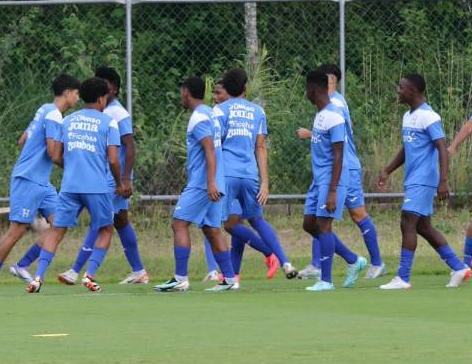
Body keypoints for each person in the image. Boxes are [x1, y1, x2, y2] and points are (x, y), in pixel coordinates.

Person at [25, 77, 127, 293]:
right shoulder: (109, 122)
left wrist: (71, 169)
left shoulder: (68, 120)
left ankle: (38, 277)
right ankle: (89, 275)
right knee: (106, 229)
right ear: (101, 99)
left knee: (57, 231)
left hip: (70, 186)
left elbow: (55, 156)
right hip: (97, 187)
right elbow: (113, 160)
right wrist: (119, 183)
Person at [0, 74, 80, 288]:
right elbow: (54, 154)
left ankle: (22, 265)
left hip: (42, 182)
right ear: (67, 93)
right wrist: (75, 168)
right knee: (17, 230)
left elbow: (22, 140)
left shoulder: (44, 109)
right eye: (77, 93)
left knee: (59, 223)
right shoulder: (54, 116)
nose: (78, 98)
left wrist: (33, 156)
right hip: (27, 180)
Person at [374, 74, 472, 289]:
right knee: (424, 227)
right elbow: (406, 149)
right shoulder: (408, 116)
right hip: (414, 179)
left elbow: (442, 148)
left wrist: (443, 180)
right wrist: (387, 170)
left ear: (414, 90)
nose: (398, 91)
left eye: (402, 87)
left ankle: (403, 277)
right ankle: (458, 267)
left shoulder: (429, 116)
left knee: (407, 221)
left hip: (424, 179)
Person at [57, 66, 144, 286]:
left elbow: (129, 145)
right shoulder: (99, 111)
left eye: (106, 83)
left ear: (114, 88)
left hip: (112, 178)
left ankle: (77, 270)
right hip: (102, 175)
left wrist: (125, 179)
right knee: (120, 221)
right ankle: (139, 270)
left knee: (101, 222)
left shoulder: (116, 112)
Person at [296, 64, 383, 280]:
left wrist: (310, 134)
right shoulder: (326, 108)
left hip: (346, 166)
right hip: (333, 169)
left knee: (355, 214)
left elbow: (338, 145)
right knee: (320, 219)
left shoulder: (334, 103)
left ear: (331, 80)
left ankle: (375, 263)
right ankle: (341, 262)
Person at [152, 77, 238, 293]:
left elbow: (209, 149)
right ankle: (229, 279)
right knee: (211, 229)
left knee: (179, 223)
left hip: (203, 183)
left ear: (186, 92)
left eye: (182, 91)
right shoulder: (211, 113)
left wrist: (209, 182)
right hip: (216, 180)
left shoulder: (198, 117)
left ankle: (180, 278)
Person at [212, 69, 298, 279]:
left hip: (227, 175)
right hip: (250, 175)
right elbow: (260, 147)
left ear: (227, 88)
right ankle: (284, 261)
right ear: (245, 88)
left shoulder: (218, 111)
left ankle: (227, 273)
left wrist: (212, 178)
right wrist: (265, 182)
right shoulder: (257, 111)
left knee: (222, 224)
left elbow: (214, 146)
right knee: (256, 219)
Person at [301, 69, 365, 291]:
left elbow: (339, 154)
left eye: (307, 88)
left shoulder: (333, 116)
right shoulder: (320, 114)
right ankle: (353, 260)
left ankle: (326, 280)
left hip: (332, 179)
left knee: (324, 225)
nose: (305, 92)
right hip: (319, 179)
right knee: (309, 224)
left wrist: (332, 190)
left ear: (314, 89)